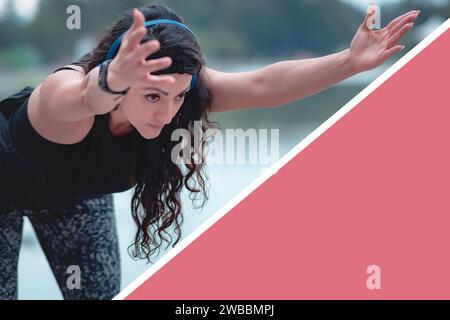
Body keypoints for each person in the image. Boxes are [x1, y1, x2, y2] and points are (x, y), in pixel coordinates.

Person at [0, 4, 420, 300]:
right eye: (151, 97)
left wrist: (349, 62)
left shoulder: (180, 94)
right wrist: (111, 80)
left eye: (178, 96)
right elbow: (89, 98)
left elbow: (263, 87)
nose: (167, 114)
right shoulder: (65, 93)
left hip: (73, 200)